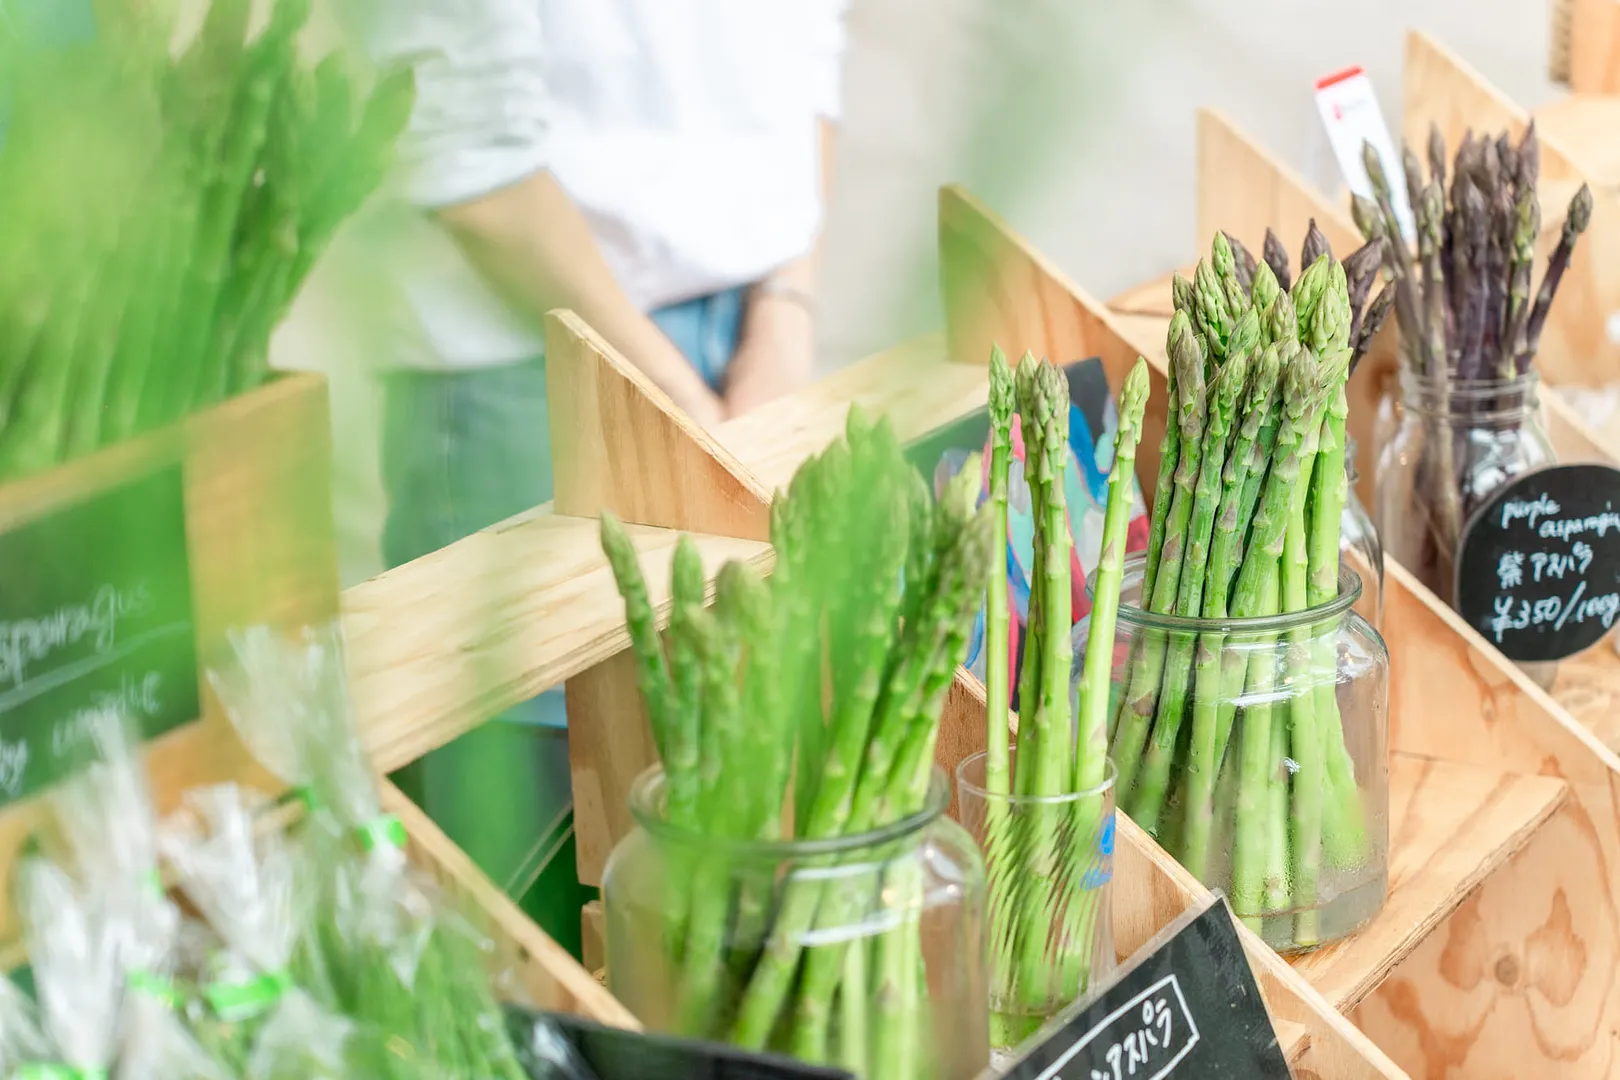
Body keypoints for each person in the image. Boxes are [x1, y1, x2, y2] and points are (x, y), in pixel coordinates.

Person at [334, 0, 849, 894]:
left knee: (736, 844)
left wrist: (785, 311)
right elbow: (459, 144)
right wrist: (678, 396)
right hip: (524, 351)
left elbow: (810, 44)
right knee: (528, 864)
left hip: (754, 331)